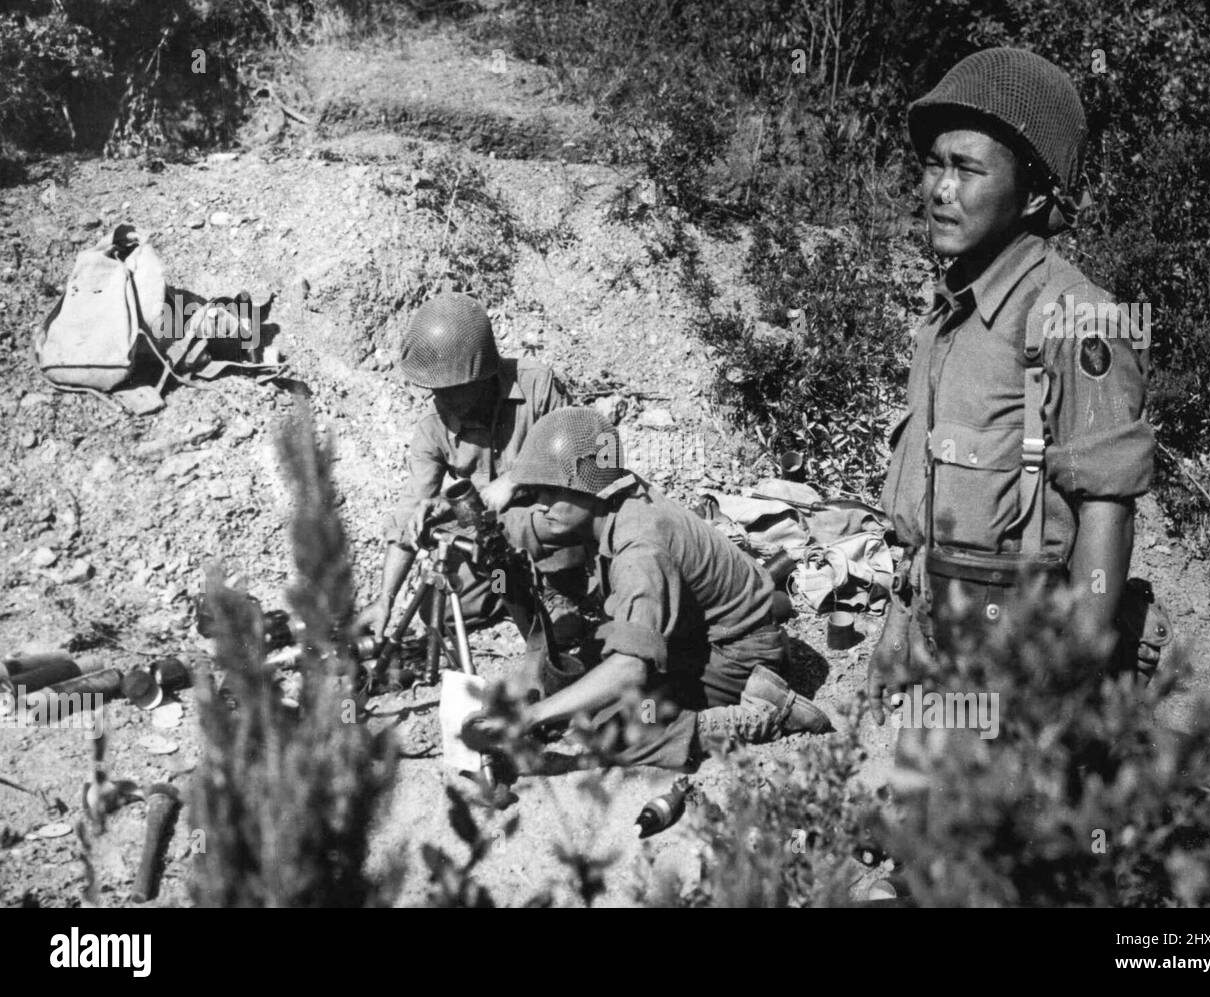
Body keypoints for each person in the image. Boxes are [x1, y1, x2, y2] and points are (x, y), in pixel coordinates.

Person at [868, 47, 1159, 722]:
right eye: (934, 164)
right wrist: (896, 631)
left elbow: (1106, 508)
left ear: (1031, 193)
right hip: (951, 653)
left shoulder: (1074, 316)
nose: (941, 189)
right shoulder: (949, 319)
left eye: (968, 169)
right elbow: (935, 508)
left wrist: (1072, 677)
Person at [465, 406, 834, 770]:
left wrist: (531, 718)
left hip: (736, 653)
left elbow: (628, 671)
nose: (539, 504)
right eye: (535, 492)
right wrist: (471, 527)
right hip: (708, 634)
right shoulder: (613, 496)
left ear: (583, 485)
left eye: (549, 491)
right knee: (589, 669)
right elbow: (532, 528)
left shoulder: (640, 548)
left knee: (622, 724)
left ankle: (760, 715)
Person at [353, 291, 584, 647]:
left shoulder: (536, 385)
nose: (438, 398)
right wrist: (386, 598)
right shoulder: (433, 427)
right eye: (433, 389)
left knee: (546, 513)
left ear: (480, 376)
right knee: (438, 611)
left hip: (552, 518)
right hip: (499, 536)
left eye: (449, 389)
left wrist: (514, 480)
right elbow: (409, 512)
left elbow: (579, 450)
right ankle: (516, 593)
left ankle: (559, 590)